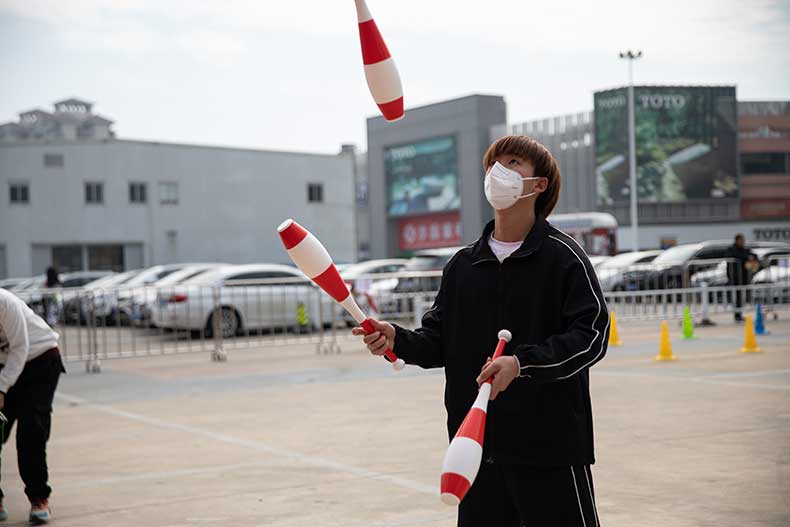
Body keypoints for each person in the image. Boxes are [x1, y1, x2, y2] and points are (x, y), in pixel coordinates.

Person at [354, 135, 609, 526]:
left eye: (512, 162)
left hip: (549, 448)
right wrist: (397, 339)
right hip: (475, 450)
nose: (497, 171)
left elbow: (592, 336)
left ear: (538, 185)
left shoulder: (564, 257)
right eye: (493, 164)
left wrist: (522, 364)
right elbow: (437, 343)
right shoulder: (462, 265)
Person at [0, 288, 65, 525]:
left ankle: (39, 498)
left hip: (40, 361)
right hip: (6, 365)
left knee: (31, 430)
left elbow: (20, 348)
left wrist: (1, 388)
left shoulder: (5, 303)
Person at [726, 234, 758, 322]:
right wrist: (747, 257)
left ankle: (739, 314)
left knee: (741, 297)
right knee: (736, 296)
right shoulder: (731, 249)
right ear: (737, 241)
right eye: (741, 240)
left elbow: (752, 255)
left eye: (743, 241)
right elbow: (737, 256)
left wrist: (751, 257)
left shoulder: (744, 249)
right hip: (735, 277)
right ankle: (737, 314)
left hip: (743, 277)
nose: (742, 242)